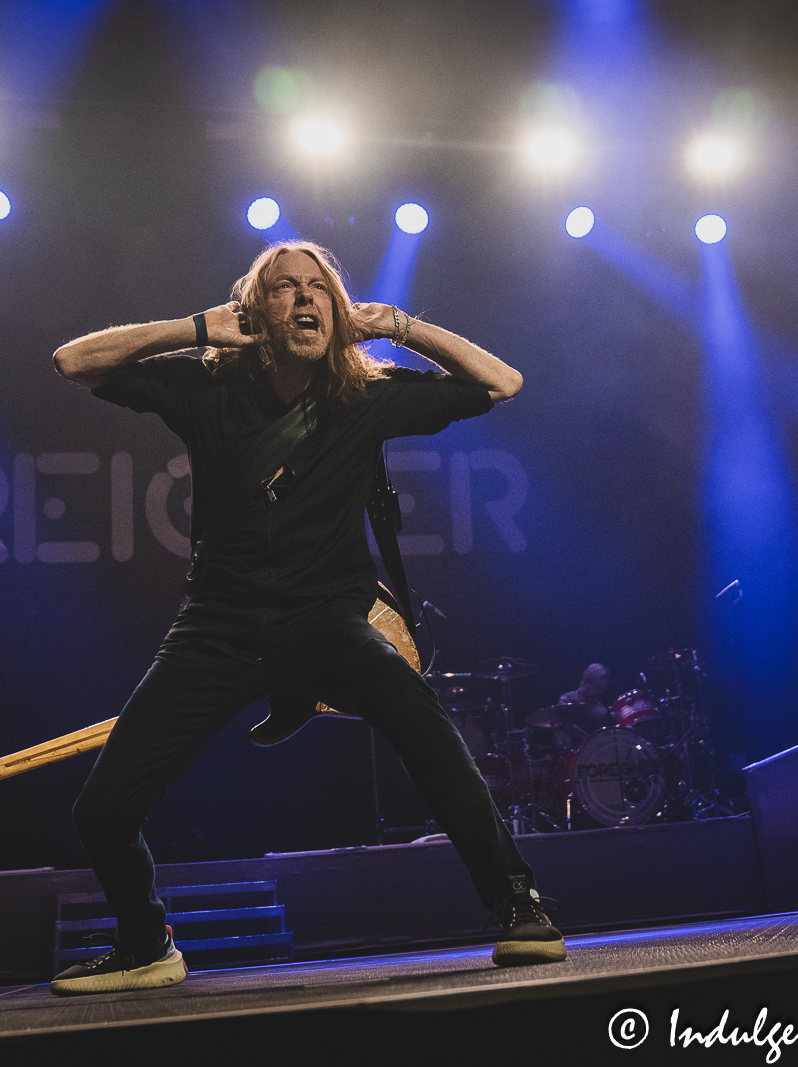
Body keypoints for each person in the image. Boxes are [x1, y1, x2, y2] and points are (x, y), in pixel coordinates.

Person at [48, 241, 563, 995]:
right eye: (283, 287)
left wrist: (398, 324)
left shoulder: (367, 394)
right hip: (217, 627)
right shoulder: (206, 389)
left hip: (325, 621)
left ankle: (518, 903)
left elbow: (503, 382)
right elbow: (73, 361)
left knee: (428, 730)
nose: (304, 298)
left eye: (318, 287)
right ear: (254, 312)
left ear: (337, 308)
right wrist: (196, 328)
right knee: (101, 810)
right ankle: (144, 945)